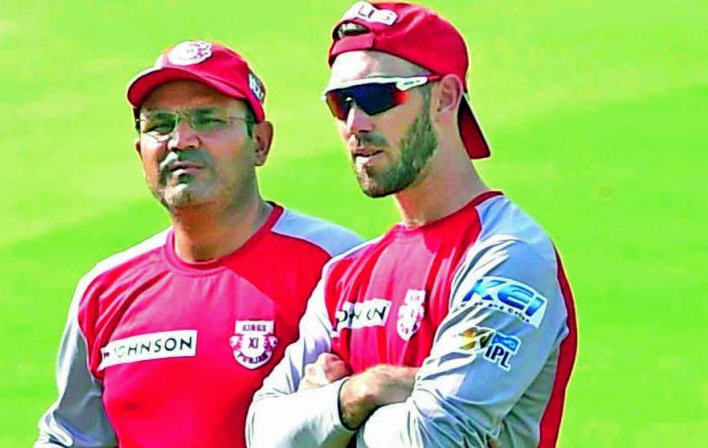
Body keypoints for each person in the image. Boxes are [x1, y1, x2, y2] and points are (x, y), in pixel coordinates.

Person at [245, 2, 578, 447]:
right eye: (340, 103)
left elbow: (435, 435)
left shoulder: (507, 255)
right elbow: (264, 435)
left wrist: (322, 418)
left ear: (444, 97)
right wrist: (366, 390)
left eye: (378, 97)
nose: (355, 124)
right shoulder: (345, 274)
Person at [33, 40, 361, 448]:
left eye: (207, 120)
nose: (181, 140)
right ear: (141, 151)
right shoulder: (104, 291)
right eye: (159, 124)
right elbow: (71, 437)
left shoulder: (340, 267)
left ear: (260, 142)